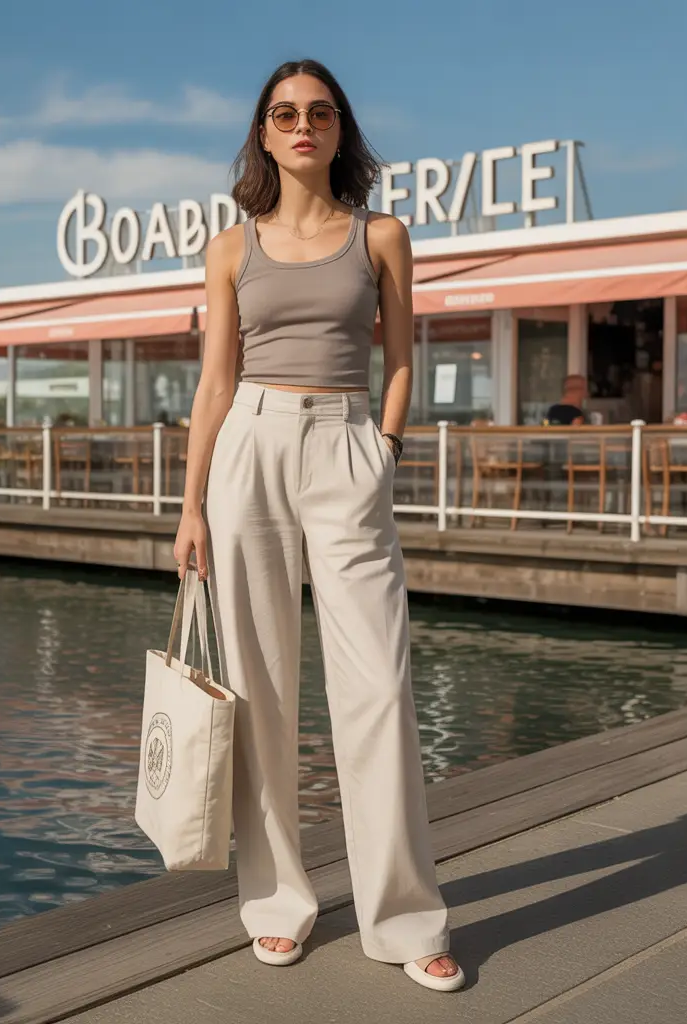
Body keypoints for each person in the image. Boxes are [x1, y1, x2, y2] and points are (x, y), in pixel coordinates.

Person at [172, 60, 463, 992]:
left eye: (320, 112)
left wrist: (385, 447)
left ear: (341, 129)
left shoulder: (382, 235)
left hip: (347, 443)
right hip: (248, 447)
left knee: (378, 684)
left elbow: (402, 360)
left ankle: (405, 918)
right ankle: (276, 905)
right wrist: (189, 506)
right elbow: (215, 384)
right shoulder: (231, 247)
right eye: (285, 113)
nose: (303, 125)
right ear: (263, 133)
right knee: (259, 689)